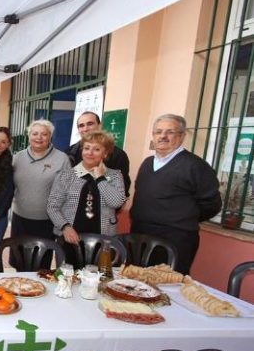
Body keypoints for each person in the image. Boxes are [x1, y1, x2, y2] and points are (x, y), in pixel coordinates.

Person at [130, 114, 222, 274]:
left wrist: (182, 217)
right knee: (136, 281)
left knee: (169, 284)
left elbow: (211, 204)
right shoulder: (147, 163)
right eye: (158, 132)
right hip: (141, 234)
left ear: (181, 136)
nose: (163, 136)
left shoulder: (195, 166)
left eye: (170, 132)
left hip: (176, 239)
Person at [47, 131, 126, 267]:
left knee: (99, 277)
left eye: (96, 149)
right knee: (69, 276)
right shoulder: (66, 175)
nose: (90, 153)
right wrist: (65, 227)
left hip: (104, 239)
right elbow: (52, 206)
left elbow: (116, 202)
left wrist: (100, 178)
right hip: (71, 239)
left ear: (105, 154)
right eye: (87, 148)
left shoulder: (115, 176)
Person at [12, 120, 71, 245]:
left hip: (47, 221)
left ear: (50, 137)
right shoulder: (17, 158)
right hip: (19, 218)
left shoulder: (62, 159)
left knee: (42, 255)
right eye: (35, 134)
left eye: (44, 134)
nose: (39, 137)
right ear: (29, 136)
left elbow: (67, 192)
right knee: (18, 255)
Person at [67, 112, 131, 196]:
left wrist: (102, 178)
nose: (85, 129)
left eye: (90, 124)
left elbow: (122, 190)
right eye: (81, 126)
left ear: (100, 126)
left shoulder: (118, 155)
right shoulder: (70, 152)